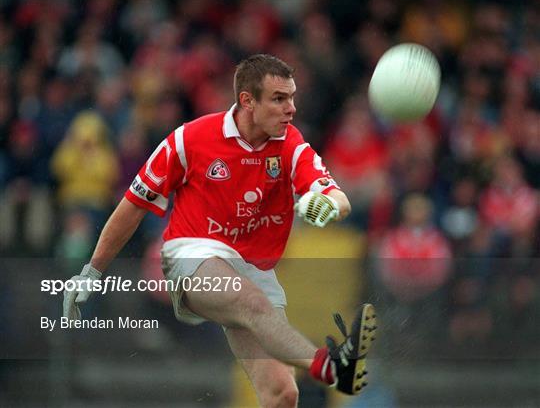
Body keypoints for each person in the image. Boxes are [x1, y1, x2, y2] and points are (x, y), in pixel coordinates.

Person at [63, 54, 377, 406]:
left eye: (292, 97)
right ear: (247, 100)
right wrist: (92, 271)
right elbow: (133, 206)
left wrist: (326, 205)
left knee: (282, 393)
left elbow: (338, 197)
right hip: (193, 256)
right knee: (252, 301)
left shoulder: (290, 144)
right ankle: (333, 368)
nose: (290, 108)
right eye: (278, 99)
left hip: (254, 270)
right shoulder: (190, 140)